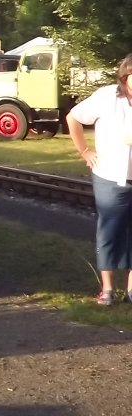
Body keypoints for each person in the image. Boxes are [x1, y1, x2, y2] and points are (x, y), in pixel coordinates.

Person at [66, 53, 132, 306]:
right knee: (110, 231)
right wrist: (84, 151)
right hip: (110, 175)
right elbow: (73, 117)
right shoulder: (106, 97)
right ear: (125, 76)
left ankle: (130, 289)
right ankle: (107, 289)